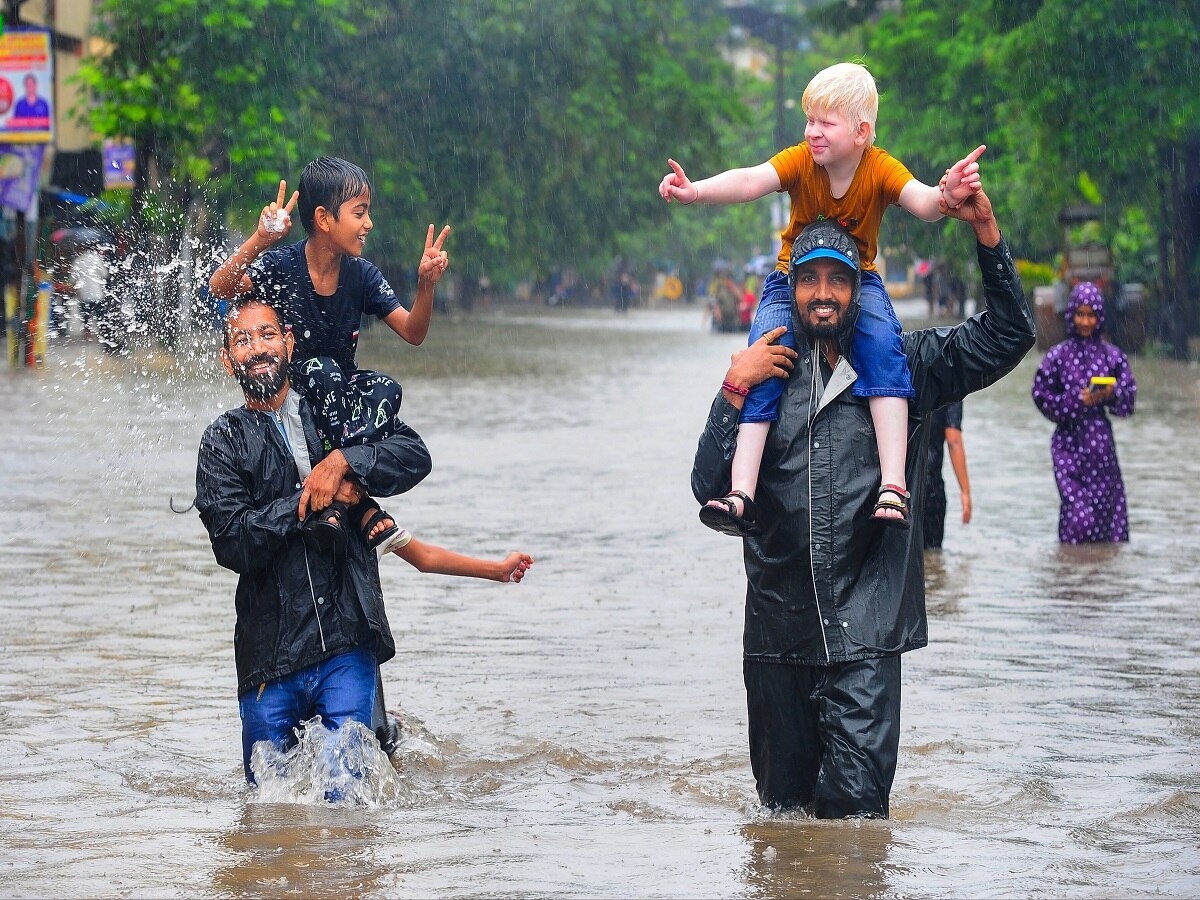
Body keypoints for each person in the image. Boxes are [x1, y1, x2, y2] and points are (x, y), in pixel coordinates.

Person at [690, 188, 1035, 818]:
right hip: (777, 640)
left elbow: (1011, 333)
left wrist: (987, 232)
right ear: (788, 289)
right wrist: (733, 387)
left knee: (852, 828)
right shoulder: (760, 377)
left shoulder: (906, 371)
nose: (823, 293)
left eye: (839, 281)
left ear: (861, 292)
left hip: (867, 641)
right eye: (810, 279)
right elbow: (706, 487)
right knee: (783, 826)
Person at [196, 298, 533, 783]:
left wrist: (343, 463)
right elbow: (233, 541)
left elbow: (413, 455)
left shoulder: (333, 416)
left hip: (347, 641)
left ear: (289, 342)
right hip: (267, 658)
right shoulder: (222, 441)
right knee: (269, 807)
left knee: (348, 790)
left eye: (267, 335)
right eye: (242, 341)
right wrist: (308, 497)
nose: (257, 349)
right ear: (227, 359)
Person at [662, 62, 986, 534]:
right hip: (787, 280)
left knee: (884, 350)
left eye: (825, 122)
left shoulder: (879, 169)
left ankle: (893, 485)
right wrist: (695, 193)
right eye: (809, 120)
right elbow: (752, 180)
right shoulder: (800, 162)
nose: (812, 132)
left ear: (862, 131)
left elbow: (922, 202)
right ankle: (741, 492)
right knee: (764, 357)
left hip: (863, 282)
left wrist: (946, 194)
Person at [209, 156, 450, 560]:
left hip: (339, 398)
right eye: (359, 213)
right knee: (324, 369)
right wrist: (261, 240)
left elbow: (413, 332)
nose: (368, 223)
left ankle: (345, 479)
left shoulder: (362, 274)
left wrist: (426, 286)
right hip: (298, 391)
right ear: (324, 218)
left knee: (385, 387)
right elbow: (221, 286)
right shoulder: (282, 264)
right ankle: (352, 501)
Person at [1031, 282, 1136, 543]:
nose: (1085, 321)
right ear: (1071, 315)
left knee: (1106, 517)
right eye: (1080, 314)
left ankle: (1101, 578)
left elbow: (1128, 399)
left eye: (1091, 315)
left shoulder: (1113, 357)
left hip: (1101, 446)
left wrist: (1109, 394)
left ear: (1099, 317)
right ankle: (1072, 574)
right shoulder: (1057, 356)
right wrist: (1076, 401)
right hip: (1067, 445)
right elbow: (1041, 395)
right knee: (1077, 516)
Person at [922, 401, 971, 550]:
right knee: (931, 552)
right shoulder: (952, 382)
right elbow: (953, 440)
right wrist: (965, 492)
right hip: (931, 487)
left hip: (899, 484)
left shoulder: (906, 378)